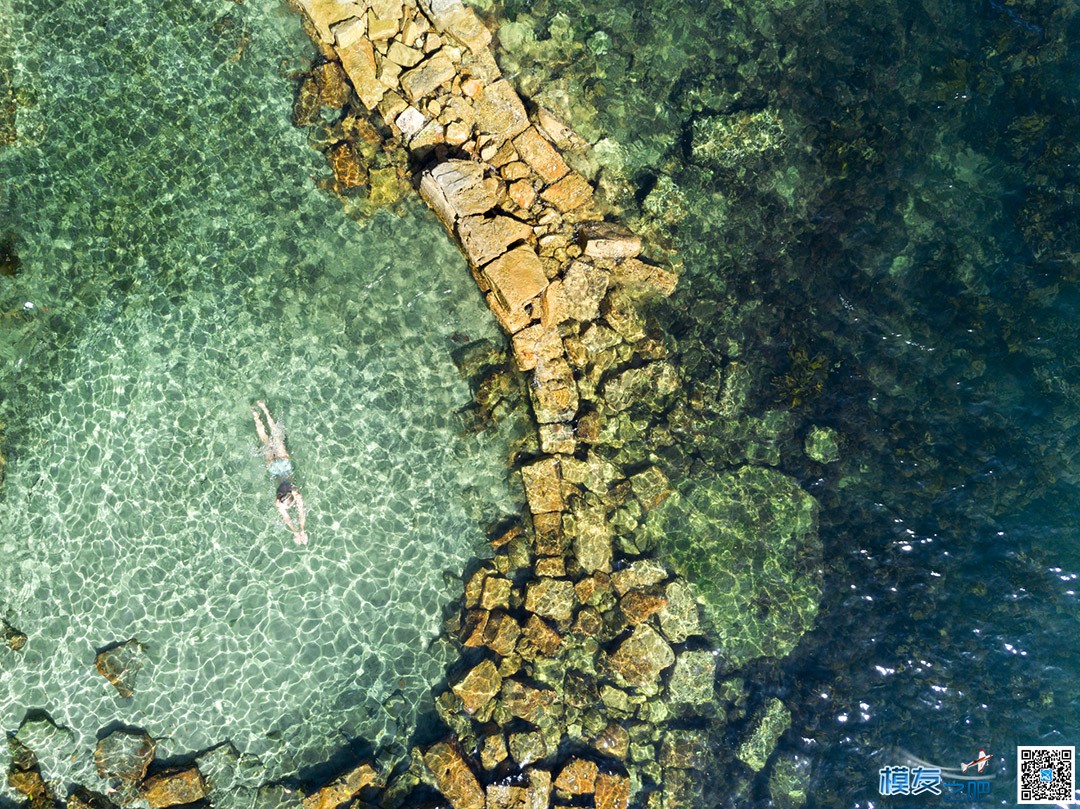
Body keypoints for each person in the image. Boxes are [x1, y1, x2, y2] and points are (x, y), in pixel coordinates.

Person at [252, 400, 308, 545]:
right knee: (265, 441)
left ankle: (264, 409)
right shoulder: (279, 504)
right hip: (274, 470)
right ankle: (256, 415)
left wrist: (301, 530)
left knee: (276, 436)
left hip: (284, 464)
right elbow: (288, 518)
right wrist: (297, 532)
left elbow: (301, 513)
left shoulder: (296, 493)